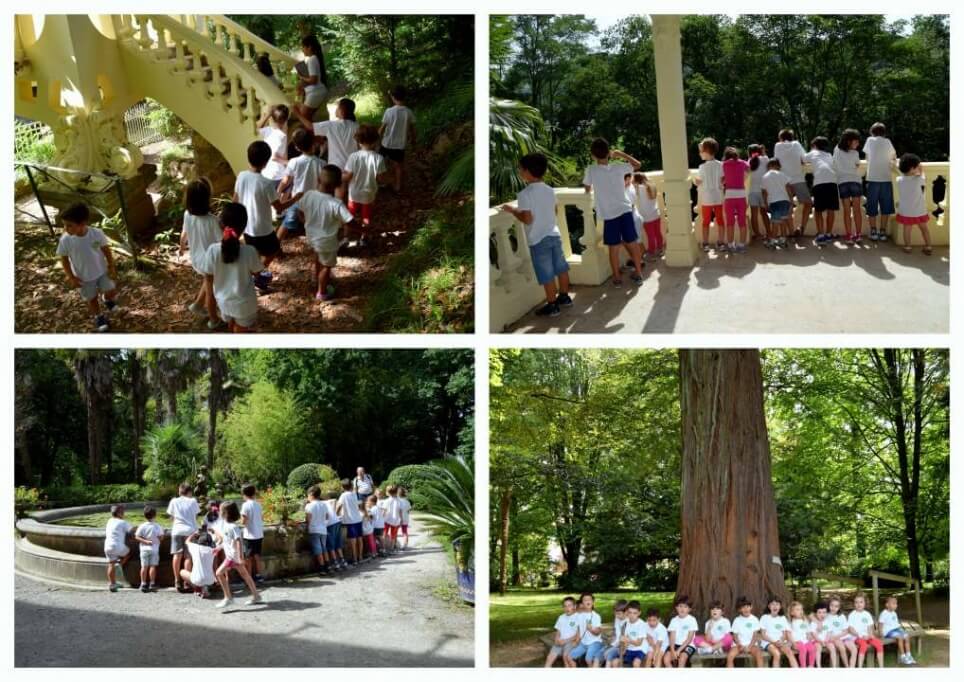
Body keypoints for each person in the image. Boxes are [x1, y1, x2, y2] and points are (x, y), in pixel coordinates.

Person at [501, 153, 572, 317]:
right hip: (554, 234)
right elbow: (554, 211)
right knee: (561, 268)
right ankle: (565, 297)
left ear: (527, 171)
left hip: (538, 239)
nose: (519, 172)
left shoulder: (525, 194)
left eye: (520, 169)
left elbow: (527, 219)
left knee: (546, 274)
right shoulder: (549, 190)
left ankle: (552, 305)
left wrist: (513, 210)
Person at [232, 140, 301, 290]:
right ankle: (256, 276)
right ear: (266, 162)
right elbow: (279, 208)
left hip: (247, 227)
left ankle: (255, 277)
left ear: (248, 157)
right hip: (263, 229)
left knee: (254, 253)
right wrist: (295, 199)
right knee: (273, 250)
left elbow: (235, 200)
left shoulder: (241, 176)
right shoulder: (266, 183)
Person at [583, 137, 644, 285]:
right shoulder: (618, 166)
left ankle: (617, 278)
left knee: (613, 247)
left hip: (609, 214)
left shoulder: (591, 170)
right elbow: (637, 165)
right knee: (633, 242)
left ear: (593, 155)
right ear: (608, 153)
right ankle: (638, 273)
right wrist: (620, 154)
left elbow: (586, 188)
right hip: (625, 209)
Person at [297, 164, 358, 303]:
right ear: (338, 184)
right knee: (327, 266)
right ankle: (322, 292)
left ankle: (316, 277)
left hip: (311, 236)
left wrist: (306, 221)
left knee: (318, 256)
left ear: (318, 179)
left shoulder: (309, 195)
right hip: (327, 241)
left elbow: (300, 212)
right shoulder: (336, 204)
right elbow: (350, 222)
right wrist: (365, 229)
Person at [56, 202, 119, 332]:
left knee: (111, 291)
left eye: (69, 225)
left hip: (102, 272)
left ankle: (107, 300)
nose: (65, 229)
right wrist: (71, 277)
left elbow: (106, 249)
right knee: (92, 298)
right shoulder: (65, 240)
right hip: (83, 277)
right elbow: (64, 259)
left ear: (82, 223)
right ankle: (99, 316)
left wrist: (111, 266)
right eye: (64, 225)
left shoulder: (96, 233)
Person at [203, 204, 265, 332]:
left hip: (223, 303)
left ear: (221, 224)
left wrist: (212, 315)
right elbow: (257, 271)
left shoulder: (212, 251)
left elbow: (208, 280)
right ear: (243, 227)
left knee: (230, 323)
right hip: (245, 305)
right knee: (241, 330)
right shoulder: (250, 251)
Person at [178, 179, 222, 328]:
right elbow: (222, 241)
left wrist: (181, 247)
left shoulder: (187, 215)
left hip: (196, 258)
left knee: (207, 280)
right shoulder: (212, 221)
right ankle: (214, 319)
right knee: (211, 291)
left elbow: (183, 233)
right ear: (207, 199)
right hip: (209, 261)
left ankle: (197, 305)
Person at [343, 125, 388, 246]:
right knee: (366, 216)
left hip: (354, 193)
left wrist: (339, 177)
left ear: (358, 141)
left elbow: (348, 176)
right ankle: (364, 237)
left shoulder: (353, 157)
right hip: (369, 193)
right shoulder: (379, 158)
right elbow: (381, 178)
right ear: (375, 141)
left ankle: (346, 238)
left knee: (349, 216)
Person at [296, 97, 359, 185]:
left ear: (342, 110)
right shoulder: (357, 126)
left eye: (337, 107)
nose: (336, 110)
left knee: (338, 192)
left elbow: (310, 126)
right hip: (353, 166)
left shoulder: (332, 125)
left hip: (336, 168)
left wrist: (297, 113)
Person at [212, 500, 262, 608]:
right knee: (246, 576)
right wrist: (219, 548)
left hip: (233, 557)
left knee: (219, 573)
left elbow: (239, 541)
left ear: (225, 513)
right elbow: (227, 542)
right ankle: (256, 595)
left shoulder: (233, 527)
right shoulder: (227, 525)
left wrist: (240, 557)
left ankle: (228, 598)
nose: (219, 512)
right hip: (234, 557)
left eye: (221, 510)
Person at [277, 128, 321, 240]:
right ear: (313, 143)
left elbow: (286, 180)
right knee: (310, 222)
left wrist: (278, 192)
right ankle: (314, 244)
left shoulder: (294, 162)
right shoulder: (322, 164)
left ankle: (275, 245)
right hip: (314, 200)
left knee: (286, 224)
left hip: (297, 199)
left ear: (296, 147)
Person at [379, 85, 417, 193]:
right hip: (400, 145)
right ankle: (398, 186)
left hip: (386, 143)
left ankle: (386, 181)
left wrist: (375, 139)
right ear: (405, 97)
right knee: (398, 166)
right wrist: (414, 142)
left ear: (392, 97)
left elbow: (382, 128)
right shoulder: (409, 112)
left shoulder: (389, 111)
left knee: (379, 163)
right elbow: (413, 130)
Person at [773, 129, 811, 237]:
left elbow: (776, 162)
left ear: (780, 138)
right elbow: (804, 159)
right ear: (791, 137)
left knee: (787, 206)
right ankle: (801, 227)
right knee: (808, 204)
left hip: (784, 180)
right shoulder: (796, 144)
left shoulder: (777, 146)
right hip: (798, 178)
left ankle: (789, 231)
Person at [864, 122, 898, 241]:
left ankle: (873, 231)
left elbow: (867, 158)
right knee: (886, 206)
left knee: (871, 206)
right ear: (884, 132)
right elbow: (893, 157)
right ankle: (882, 232)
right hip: (886, 178)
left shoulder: (869, 140)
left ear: (872, 131)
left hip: (872, 177)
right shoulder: (888, 142)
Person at [805, 136, 839, 244]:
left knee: (818, 210)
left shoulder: (812, 153)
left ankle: (820, 235)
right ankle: (828, 234)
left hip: (819, 182)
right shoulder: (829, 155)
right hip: (832, 182)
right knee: (831, 210)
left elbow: (803, 159)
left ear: (814, 146)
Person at [896, 153, 932, 255]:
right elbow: (923, 177)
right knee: (924, 229)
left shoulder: (899, 180)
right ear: (912, 168)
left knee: (907, 229)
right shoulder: (918, 179)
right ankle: (928, 246)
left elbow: (903, 175)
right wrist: (921, 170)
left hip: (906, 211)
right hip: (919, 211)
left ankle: (907, 247)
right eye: (916, 166)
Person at [166, 483, 199, 592]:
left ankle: (177, 580)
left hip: (177, 530)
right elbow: (196, 515)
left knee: (177, 555)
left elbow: (171, 517)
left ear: (180, 491)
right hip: (190, 531)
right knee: (188, 557)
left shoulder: (174, 501)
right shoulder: (193, 501)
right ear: (189, 492)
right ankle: (187, 581)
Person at [694, 138, 725, 251]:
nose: (699, 153)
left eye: (701, 150)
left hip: (707, 198)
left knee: (706, 221)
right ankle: (720, 242)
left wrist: (697, 181)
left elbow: (698, 181)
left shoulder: (702, 167)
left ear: (706, 151)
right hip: (717, 198)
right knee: (719, 220)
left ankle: (706, 243)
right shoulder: (720, 165)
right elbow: (723, 180)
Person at [834, 129, 864, 243]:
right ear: (848, 142)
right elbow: (857, 165)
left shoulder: (836, 149)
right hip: (855, 181)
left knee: (847, 210)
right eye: (855, 142)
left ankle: (848, 235)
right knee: (857, 210)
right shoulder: (855, 153)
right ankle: (859, 234)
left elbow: (835, 164)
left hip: (842, 182)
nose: (857, 144)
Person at [720, 147, 751, 252]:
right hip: (741, 195)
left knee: (730, 222)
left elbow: (721, 179)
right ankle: (742, 245)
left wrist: (726, 180)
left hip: (729, 195)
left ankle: (730, 245)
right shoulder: (743, 163)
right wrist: (743, 177)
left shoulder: (723, 164)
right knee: (742, 221)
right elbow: (749, 168)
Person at [293, 34, 328, 122]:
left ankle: (315, 135)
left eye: (303, 47)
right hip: (316, 92)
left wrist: (301, 77)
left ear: (309, 47)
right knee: (308, 119)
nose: (302, 49)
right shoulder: (315, 58)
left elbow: (313, 80)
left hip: (315, 93)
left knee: (304, 119)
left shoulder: (312, 59)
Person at [761, 159, 793, 249]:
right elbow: (788, 188)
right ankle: (783, 240)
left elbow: (764, 192)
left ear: (769, 166)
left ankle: (772, 241)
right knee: (783, 222)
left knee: (775, 223)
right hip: (785, 201)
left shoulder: (765, 176)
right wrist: (791, 201)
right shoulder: (782, 174)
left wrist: (765, 203)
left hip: (774, 201)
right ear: (778, 166)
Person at [256, 104, 289, 190]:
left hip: (266, 172)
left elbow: (259, 126)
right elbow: (284, 122)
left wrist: (267, 115)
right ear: (285, 120)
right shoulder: (283, 135)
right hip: (278, 173)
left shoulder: (268, 131)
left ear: (272, 119)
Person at [566, 593, 604, 667]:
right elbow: (574, 626)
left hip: (595, 642)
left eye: (589, 599)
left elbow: (598, 632)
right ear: (582, 603)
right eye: (585, 600)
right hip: (583, 643)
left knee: (588, 659)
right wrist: (576, 640)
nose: (587, 601)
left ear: (593, 602)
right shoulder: (579, 616)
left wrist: (591, 629)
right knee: (569, 657)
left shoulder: (596, 616)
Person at [758, 596, 797, 667]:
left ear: (780, 606)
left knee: (789, 652)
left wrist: (781, 641)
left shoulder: (782, 618)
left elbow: (785, 633)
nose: (775, 606)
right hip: (768, 642)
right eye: (773, 604)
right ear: (769, 606)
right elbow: (763, 635)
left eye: (777, 604)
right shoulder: (765, 617)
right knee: (776, 654)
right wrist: (774, 642)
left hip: (780, 642)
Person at [848, 592, 884, 667]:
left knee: (879, 644)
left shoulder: (867, 614)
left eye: (861, 602)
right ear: (854, 604)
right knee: (863, 645)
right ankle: (860, 666)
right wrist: (860, 635)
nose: (859, 604)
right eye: (856, 602)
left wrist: (870, 635)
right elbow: (850, 629)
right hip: (857, 637)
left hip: (867, 636)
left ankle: (881, 666)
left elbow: (870, 627)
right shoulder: (852, 615)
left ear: (865, 603)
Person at [727, 596, 764, 667]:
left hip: (752, 644)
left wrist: (749, 647)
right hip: (739, 645)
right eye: (743, 607)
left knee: (759, 655)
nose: (746, 609)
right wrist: (740, 645)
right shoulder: (737, 620)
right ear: (740, 609)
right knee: (730, 656)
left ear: (751, 607)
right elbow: (735, 635)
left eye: (747, 606)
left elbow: (755, 635)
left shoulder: (754, 619)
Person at [545, 596, 582, 667]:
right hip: (560, 641)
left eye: (569, 606)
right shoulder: (561, 617)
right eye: (565, 606)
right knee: (549, 658)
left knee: (565, 657)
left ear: (574, 606)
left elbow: (578, 635)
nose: (567, 608)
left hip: (571, 642)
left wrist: (565, 641)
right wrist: (556, 639)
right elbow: (558, 631)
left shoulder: (578, 617)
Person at [634, 173, 663, 260]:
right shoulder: (651, 186)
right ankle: (660, 249)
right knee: (658, 233)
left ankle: (651, 251)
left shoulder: (639, 188)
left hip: (647, 216)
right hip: (656, 214)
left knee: (650, 235)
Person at [134, 504, 163, 593]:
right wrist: (158, 539)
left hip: (143, 549)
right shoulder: (157, 526)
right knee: (152, 566)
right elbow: (161, 537)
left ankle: (143, 583)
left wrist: (145, 542)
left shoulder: (142, 526)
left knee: (144, 567)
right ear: (155, 515)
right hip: (154, 549)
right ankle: (152, 583)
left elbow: (137, 537)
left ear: (144, 515)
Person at [879, 594, 915, 665]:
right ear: (887, 605)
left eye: (896, 603)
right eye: (893, 603)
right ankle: (903, 656)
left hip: (896, 630)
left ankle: (909, 655)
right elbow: (880, 624)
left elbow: (896, 623)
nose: (896, 605)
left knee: (907, 636)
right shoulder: (884, 613)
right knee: (900, 637)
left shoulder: (894, 613)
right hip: (888, 632)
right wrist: (881, 632)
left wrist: (901, 630)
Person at [181, 529, 218, 598]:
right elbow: (220, 540)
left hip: (198, 580)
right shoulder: (213, 550)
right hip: (211, 580)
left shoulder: (195, 548)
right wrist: (214, 531)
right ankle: (205, 588)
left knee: (182, 572)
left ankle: (198, 589)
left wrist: (194, 534)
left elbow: (187, 541)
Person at [305, 484, 333, 575]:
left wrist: (307, 527)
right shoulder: (323, 504)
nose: (307, 497)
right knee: (323, 548)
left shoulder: (309, 506)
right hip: (323, 529)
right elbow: (327, 516)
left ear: (311, 494)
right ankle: (328, 565)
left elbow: (308, 519)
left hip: (314, 529)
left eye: (308, 495)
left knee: (318, 550)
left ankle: (322, 568)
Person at [104, 504, 132, 592]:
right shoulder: (122, 522)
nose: (124, 514)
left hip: (107, 546)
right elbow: (132, 530)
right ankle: (119, 565)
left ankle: (112, 584)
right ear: (119, 513)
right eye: (123, 512)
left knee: (110, 564)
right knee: (128, 553)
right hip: (117, 546)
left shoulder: (109, 521)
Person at [240, 484, 265, 583]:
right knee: (257, 556)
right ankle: (259, 575)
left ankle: (248, 577)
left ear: (244, 494)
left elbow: (243, 521)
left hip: (249, 535)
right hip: (259, 534)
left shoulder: (245, 505)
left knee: (248, 558)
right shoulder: (258, 504)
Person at [336, 479, 364, 565]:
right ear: (351, 486)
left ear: (343, 487)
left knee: (353, 541)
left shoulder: (343, 495)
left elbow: (339, 506)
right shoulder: (355, 494)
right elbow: (360, 505)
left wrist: (336, 514)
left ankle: (355, 559)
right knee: (359, 539)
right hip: (358, 519)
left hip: (350, 521)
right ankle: (360, 557)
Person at [747, 144, 771, 241]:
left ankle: (757, 234)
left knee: (754, 214)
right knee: (764, 213)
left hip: (752, 191)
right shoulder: (765, 158)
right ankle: (769, 232)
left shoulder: (749, 161)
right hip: (763, 191)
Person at [827, 595, 858, 667]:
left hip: (844, 636)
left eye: (836, 606)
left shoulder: (841, 616)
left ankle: (851, 667)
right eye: (832, 605)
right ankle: (846, 666)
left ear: (839, 607)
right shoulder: (826, 616)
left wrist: (839, 636)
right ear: (829, 605)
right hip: (834, 638)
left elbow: (846, 631)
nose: (833, 608)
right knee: (842, 648)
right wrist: (835, 637)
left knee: (854, 649)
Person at [597, 600, 628, 668]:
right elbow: (616, 634)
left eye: (618, 613)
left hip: (623, 647)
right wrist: (610, 643)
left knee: (608, 655)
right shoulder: (617, 618)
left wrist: (612, 645)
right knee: (599, 654)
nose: (616, 615)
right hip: (615, 644)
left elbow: (623, 641)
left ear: (626, 613)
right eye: (615, 613)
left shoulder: (628, 622)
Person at [620, 601, 648, 668]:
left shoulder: (642, 625)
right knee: (619, 662)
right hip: (630, 648)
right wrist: (624, 650)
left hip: (640, 649)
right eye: (630, 612)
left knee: (636, 663)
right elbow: (626, 638)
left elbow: (639, 643)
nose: (632, 615)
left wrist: (628, 640)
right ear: (627, 612)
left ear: (639, 613)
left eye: (635, 613)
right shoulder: (626, 622)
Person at [788, 600, 817, 667]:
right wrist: (793, 643)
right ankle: (803, 666)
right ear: (792, 613)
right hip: (796, 641)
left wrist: (809, 636)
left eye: (801, 609)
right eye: (797, 610)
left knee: (813, 649)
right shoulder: (791, 622)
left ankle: (811, 666)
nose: (801, 611)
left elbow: (808, 631)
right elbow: (789, 634)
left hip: (805, 640)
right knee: (803, 649)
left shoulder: (804, 620)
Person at [810, 601, 837, 667]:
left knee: (832, 647)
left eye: (824, 612)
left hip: (826, 640)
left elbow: (829, 632)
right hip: (817, 641)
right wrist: (820, 641)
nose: (822, 614)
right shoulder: (814, 623)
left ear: (827, 613)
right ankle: (819, 666)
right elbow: (814, 634)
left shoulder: (828, 621)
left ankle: (834, 666)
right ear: (815, 613)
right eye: (819, 612)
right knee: (818, 648)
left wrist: (826, 640)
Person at [324, 492, 347, 570]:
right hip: (337, 521)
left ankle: (335, 562)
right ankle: (343, 560)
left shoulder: (320, 504)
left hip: (330, 524)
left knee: (331, 545)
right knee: (338, 542)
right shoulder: (326, 502)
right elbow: (334, 500)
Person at [382, 485, 403, 553]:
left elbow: (384, 511)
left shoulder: (386, 501)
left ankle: (384, 548)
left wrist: (381, 518)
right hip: (395, 521)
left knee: (384, 534)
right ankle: (391, 549)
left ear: (388, 492)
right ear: (396, 492)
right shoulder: (399, 501)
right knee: (393, 535)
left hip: (386, 520)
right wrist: (401, 519)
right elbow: (400, 511)